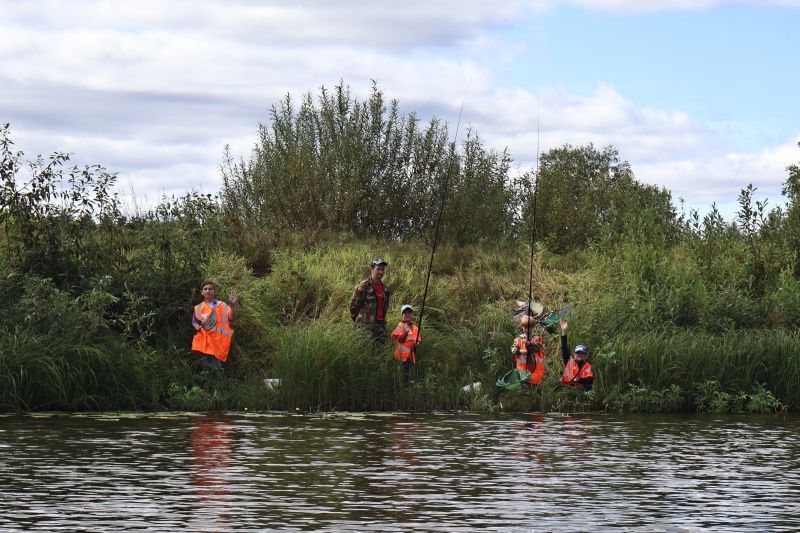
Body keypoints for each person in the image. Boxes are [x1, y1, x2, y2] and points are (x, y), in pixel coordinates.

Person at [192, 281, 238, 372]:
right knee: (205, 370)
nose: (208, 291)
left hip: (218, 344)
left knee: (216, 370)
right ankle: (207, 386)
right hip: (203, 345)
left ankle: (217, 386)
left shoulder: (222, 306)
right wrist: (196, 326)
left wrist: (232, 305)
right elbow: (195, 322)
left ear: (214, 291)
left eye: (210, 289)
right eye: (205, 289)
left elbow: (232, 319)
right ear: (202, 292)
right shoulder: (198, 307)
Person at [349, 258, 390, 344]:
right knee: (364, 350)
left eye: (382, 269)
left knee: (381, 351)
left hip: (380, 325)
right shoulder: (364, 286)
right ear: (371, 269)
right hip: (365, 326)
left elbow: (385, 308)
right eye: (378, 269)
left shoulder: (385, 289)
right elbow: (354, 306)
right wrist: (359, 321)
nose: (381, 272)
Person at [558, 318, 593, 390]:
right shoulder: (569, 360)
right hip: (567, 387)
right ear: (574, 354)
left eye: (582, 354)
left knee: (589, 387)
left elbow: (590, 379)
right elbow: (564, 348)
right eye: (578, 353)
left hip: (579, 389)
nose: (580, 355)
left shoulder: (587, 366)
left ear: (585, 356)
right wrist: (564, 331)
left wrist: (579, 379)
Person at [391, 304, 421, 386]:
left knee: (408, 379)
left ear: (412, 315)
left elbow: (418, 341)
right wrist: (406, 331)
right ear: (402, 315)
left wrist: (416, 344)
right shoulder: (400, 326)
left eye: (409, 313)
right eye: (405, 313)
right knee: (401, 380)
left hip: (410, 358)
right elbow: (400, 340)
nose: (407, 314)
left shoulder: (415, 328)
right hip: (400, 358)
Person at [511, 314, 545, 385]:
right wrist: (520, 351)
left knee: (535, 392)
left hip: (535, 373)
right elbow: (513, 349)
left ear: (532, 327)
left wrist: (529, 344)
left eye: (529, 328)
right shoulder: (518, 340)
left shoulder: (537, 339)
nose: (527, 329)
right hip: (522, 373)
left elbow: (537, 348)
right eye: (525, 327)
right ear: (522, 327)